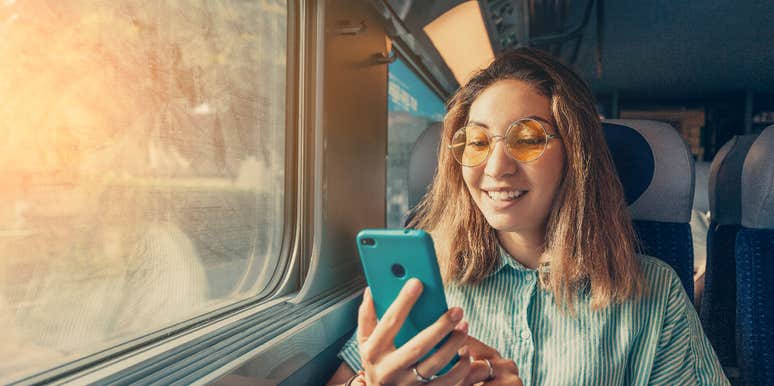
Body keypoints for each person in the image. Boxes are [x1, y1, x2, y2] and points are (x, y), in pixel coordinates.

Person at [327, 48, 728, 385]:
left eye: (529, 139)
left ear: (575, 154)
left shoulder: (653, 294)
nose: (496, 167)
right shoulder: (422, 282)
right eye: (477, 141)